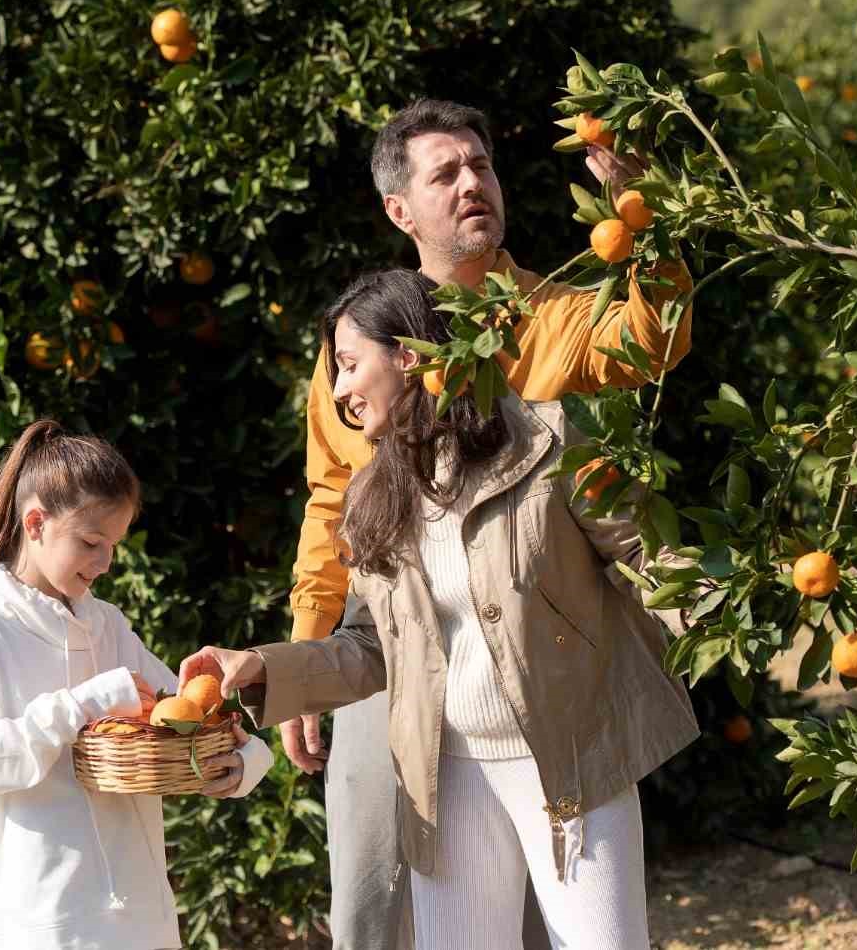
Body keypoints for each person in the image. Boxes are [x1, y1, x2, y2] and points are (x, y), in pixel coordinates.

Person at [280, 99, 694, 950]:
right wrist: (303, 652)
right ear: (401, 210)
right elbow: (330, 501)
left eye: (483, 165)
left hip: (531, 667)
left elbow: (657, 336)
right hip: (386, 647)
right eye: (446, 173)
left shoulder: (552, 315)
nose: (474, 184)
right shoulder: (357, 349)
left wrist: (639, 215)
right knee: (368, 894)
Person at [183, 269, 700, 949]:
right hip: (446, 778)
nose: (338, 390)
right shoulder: (375, 497)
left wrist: (734, 616)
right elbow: (372, 647)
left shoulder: (546, 444)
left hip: (569, 762)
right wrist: (265, 668)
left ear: (409, 355)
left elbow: (650, 556)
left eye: (348, 364)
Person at [0, 419, 274, 950]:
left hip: (136, 916)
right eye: (92, 541)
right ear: (36, 522)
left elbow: (182, 716)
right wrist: (79, 704)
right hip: (40, 921)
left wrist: (245, 763)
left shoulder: (107, 625)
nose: (105, 562)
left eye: (113, 544)